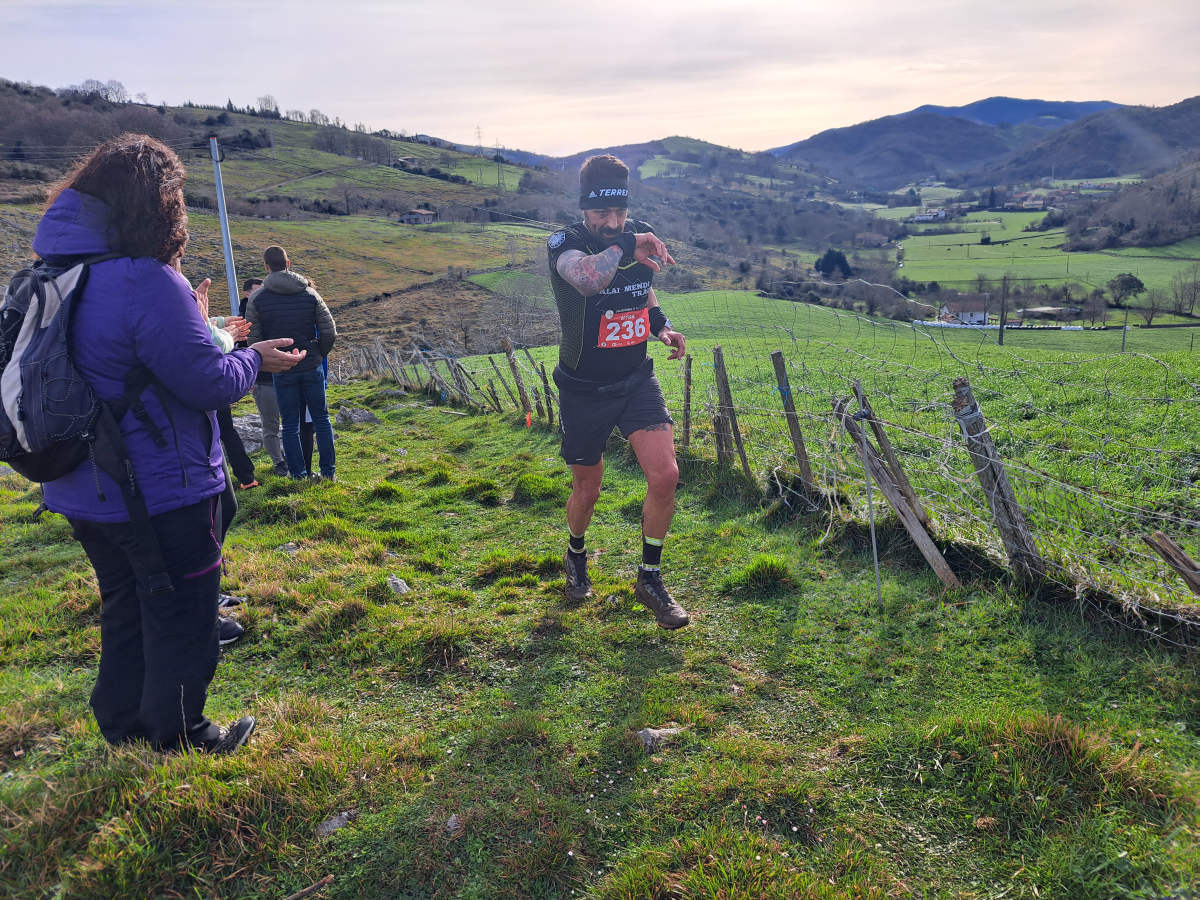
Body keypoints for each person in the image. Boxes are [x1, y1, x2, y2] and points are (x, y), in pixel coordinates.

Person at [33, 133, 304, 754]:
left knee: (125, 604)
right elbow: (207, 383)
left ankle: (122, 724)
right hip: (159, 485)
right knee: (183, 611)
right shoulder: (145, 280)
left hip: (78, 483)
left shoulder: (54, 273)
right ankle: (180, 733)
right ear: (157, 205)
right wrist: (252, 357)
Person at [546, 154, 690, 629]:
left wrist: (661, 326)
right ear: (583, 209)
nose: (612, 223)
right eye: (602, 213)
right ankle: (576, 552)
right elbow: (589, 280)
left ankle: (650, 579)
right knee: (588, 489)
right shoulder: (565, 243)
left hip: (635, 379)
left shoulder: (636, 235)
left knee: (665, 475)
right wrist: (627, 244)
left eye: (621, 213)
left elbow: (640, 287)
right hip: (583, 387)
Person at [245, 246, 338, 481]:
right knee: (321, 419)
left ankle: (298, 475)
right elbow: (330, 332)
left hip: (281, 368)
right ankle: (328, 473)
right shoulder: (310, 293)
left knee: (289, 424)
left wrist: (268, 362)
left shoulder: (256, 298)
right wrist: (316, 354)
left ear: (266, 266)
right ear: (288, 263)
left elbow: (253, 339)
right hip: (310, 364)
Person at [238, 277, 287, 476]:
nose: (262, 294)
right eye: (257, 290)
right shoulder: (241, 323)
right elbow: (242, 352)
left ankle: (291, 457)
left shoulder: (272, 312)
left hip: (283, 376)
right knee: (270, 423)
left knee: (290, 422)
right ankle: (279, 462)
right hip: (264, 380)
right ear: (246, 294)